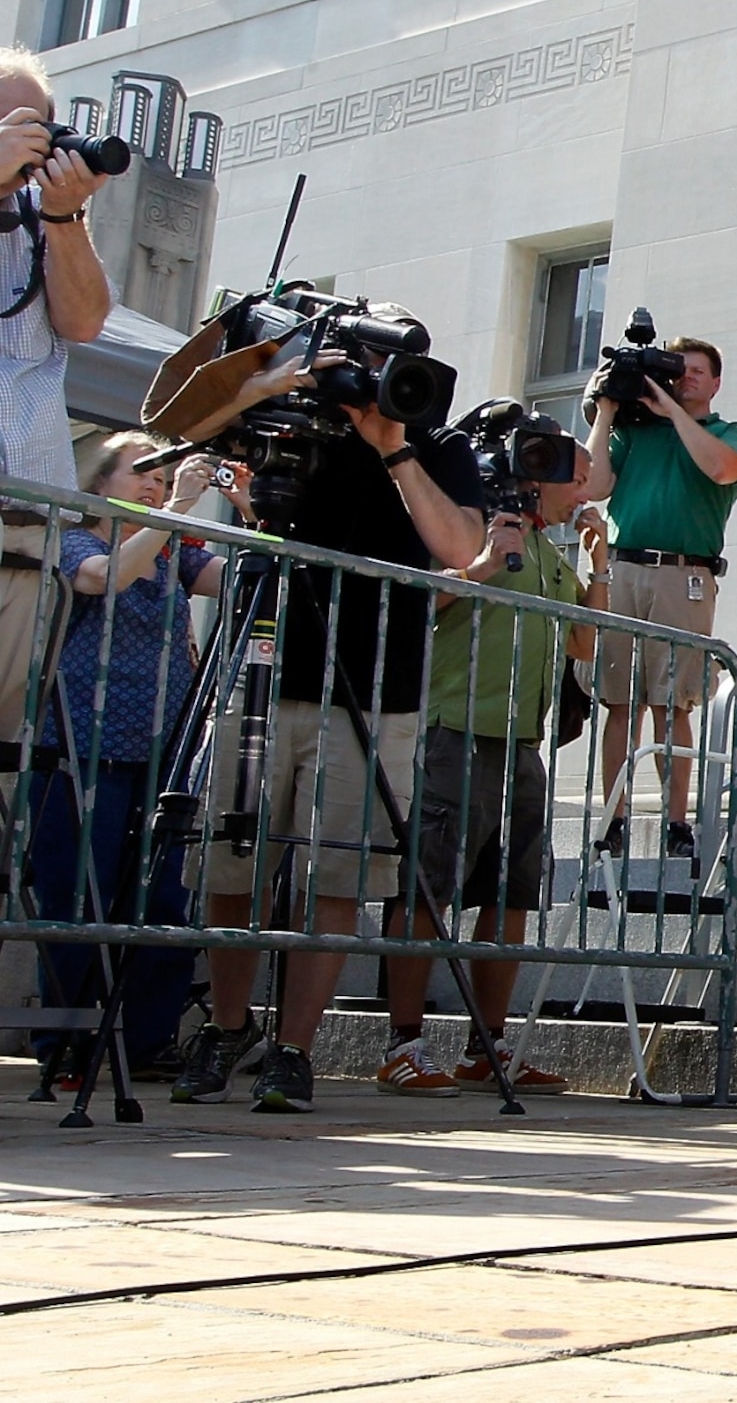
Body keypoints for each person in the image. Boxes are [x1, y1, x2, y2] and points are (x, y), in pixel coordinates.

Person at [169, 332, 485, 1114]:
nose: (372, 378)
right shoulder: (288, 418)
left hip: (377, 689)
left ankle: (295, 1049)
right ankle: (229, 1026)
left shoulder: (436, 443)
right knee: (232, 865)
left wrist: (393, 448)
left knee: (336, 876)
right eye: (362, 359)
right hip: (263, 674)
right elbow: (180, 422)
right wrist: (271, 380)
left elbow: (461, 545)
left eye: (390, 364)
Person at [374, 415, 598, 1098]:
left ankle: (488, 1046)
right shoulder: (476, 529)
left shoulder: (555, 559)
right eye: (576, 477)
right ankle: (402, 1044)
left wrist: (603, 563)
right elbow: (424, 603)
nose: (584, 491)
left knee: (511, 895)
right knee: (427, 889)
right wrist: (478, 565)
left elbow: (585, 645)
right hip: (453, 731)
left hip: (521, 742)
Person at [27, 437, 235, 1080]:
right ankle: (64, 1046)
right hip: (78, 752)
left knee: (162, 901)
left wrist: (252, 513)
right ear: (99, 482)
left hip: (161, 755)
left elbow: (237, 581)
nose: (155, 483)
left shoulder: (173, 547)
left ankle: (145, 1042)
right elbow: (105, 578)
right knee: (75, 898)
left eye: (163, 474)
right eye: (141, 473)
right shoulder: (75, 537)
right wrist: (171, 512)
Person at [583, 335, 737, 868]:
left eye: (700, 371)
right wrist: (607, 410)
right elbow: (591, 483)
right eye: (682, 370)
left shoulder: (728, 432)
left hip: (684, 574)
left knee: (672, 703)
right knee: (618, 702)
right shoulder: (635, 432)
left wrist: (675, 413)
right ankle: (614, 817)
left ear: (716, 382)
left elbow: (722, 468)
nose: (689, 377)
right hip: (624, 567)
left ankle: (676, 820)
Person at [0, 47, 118, 768]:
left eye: (40, 125)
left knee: (5, 758)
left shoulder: (41, 221)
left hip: (26, 538)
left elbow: (84, 321)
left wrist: (65, 215)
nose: (33, 142)